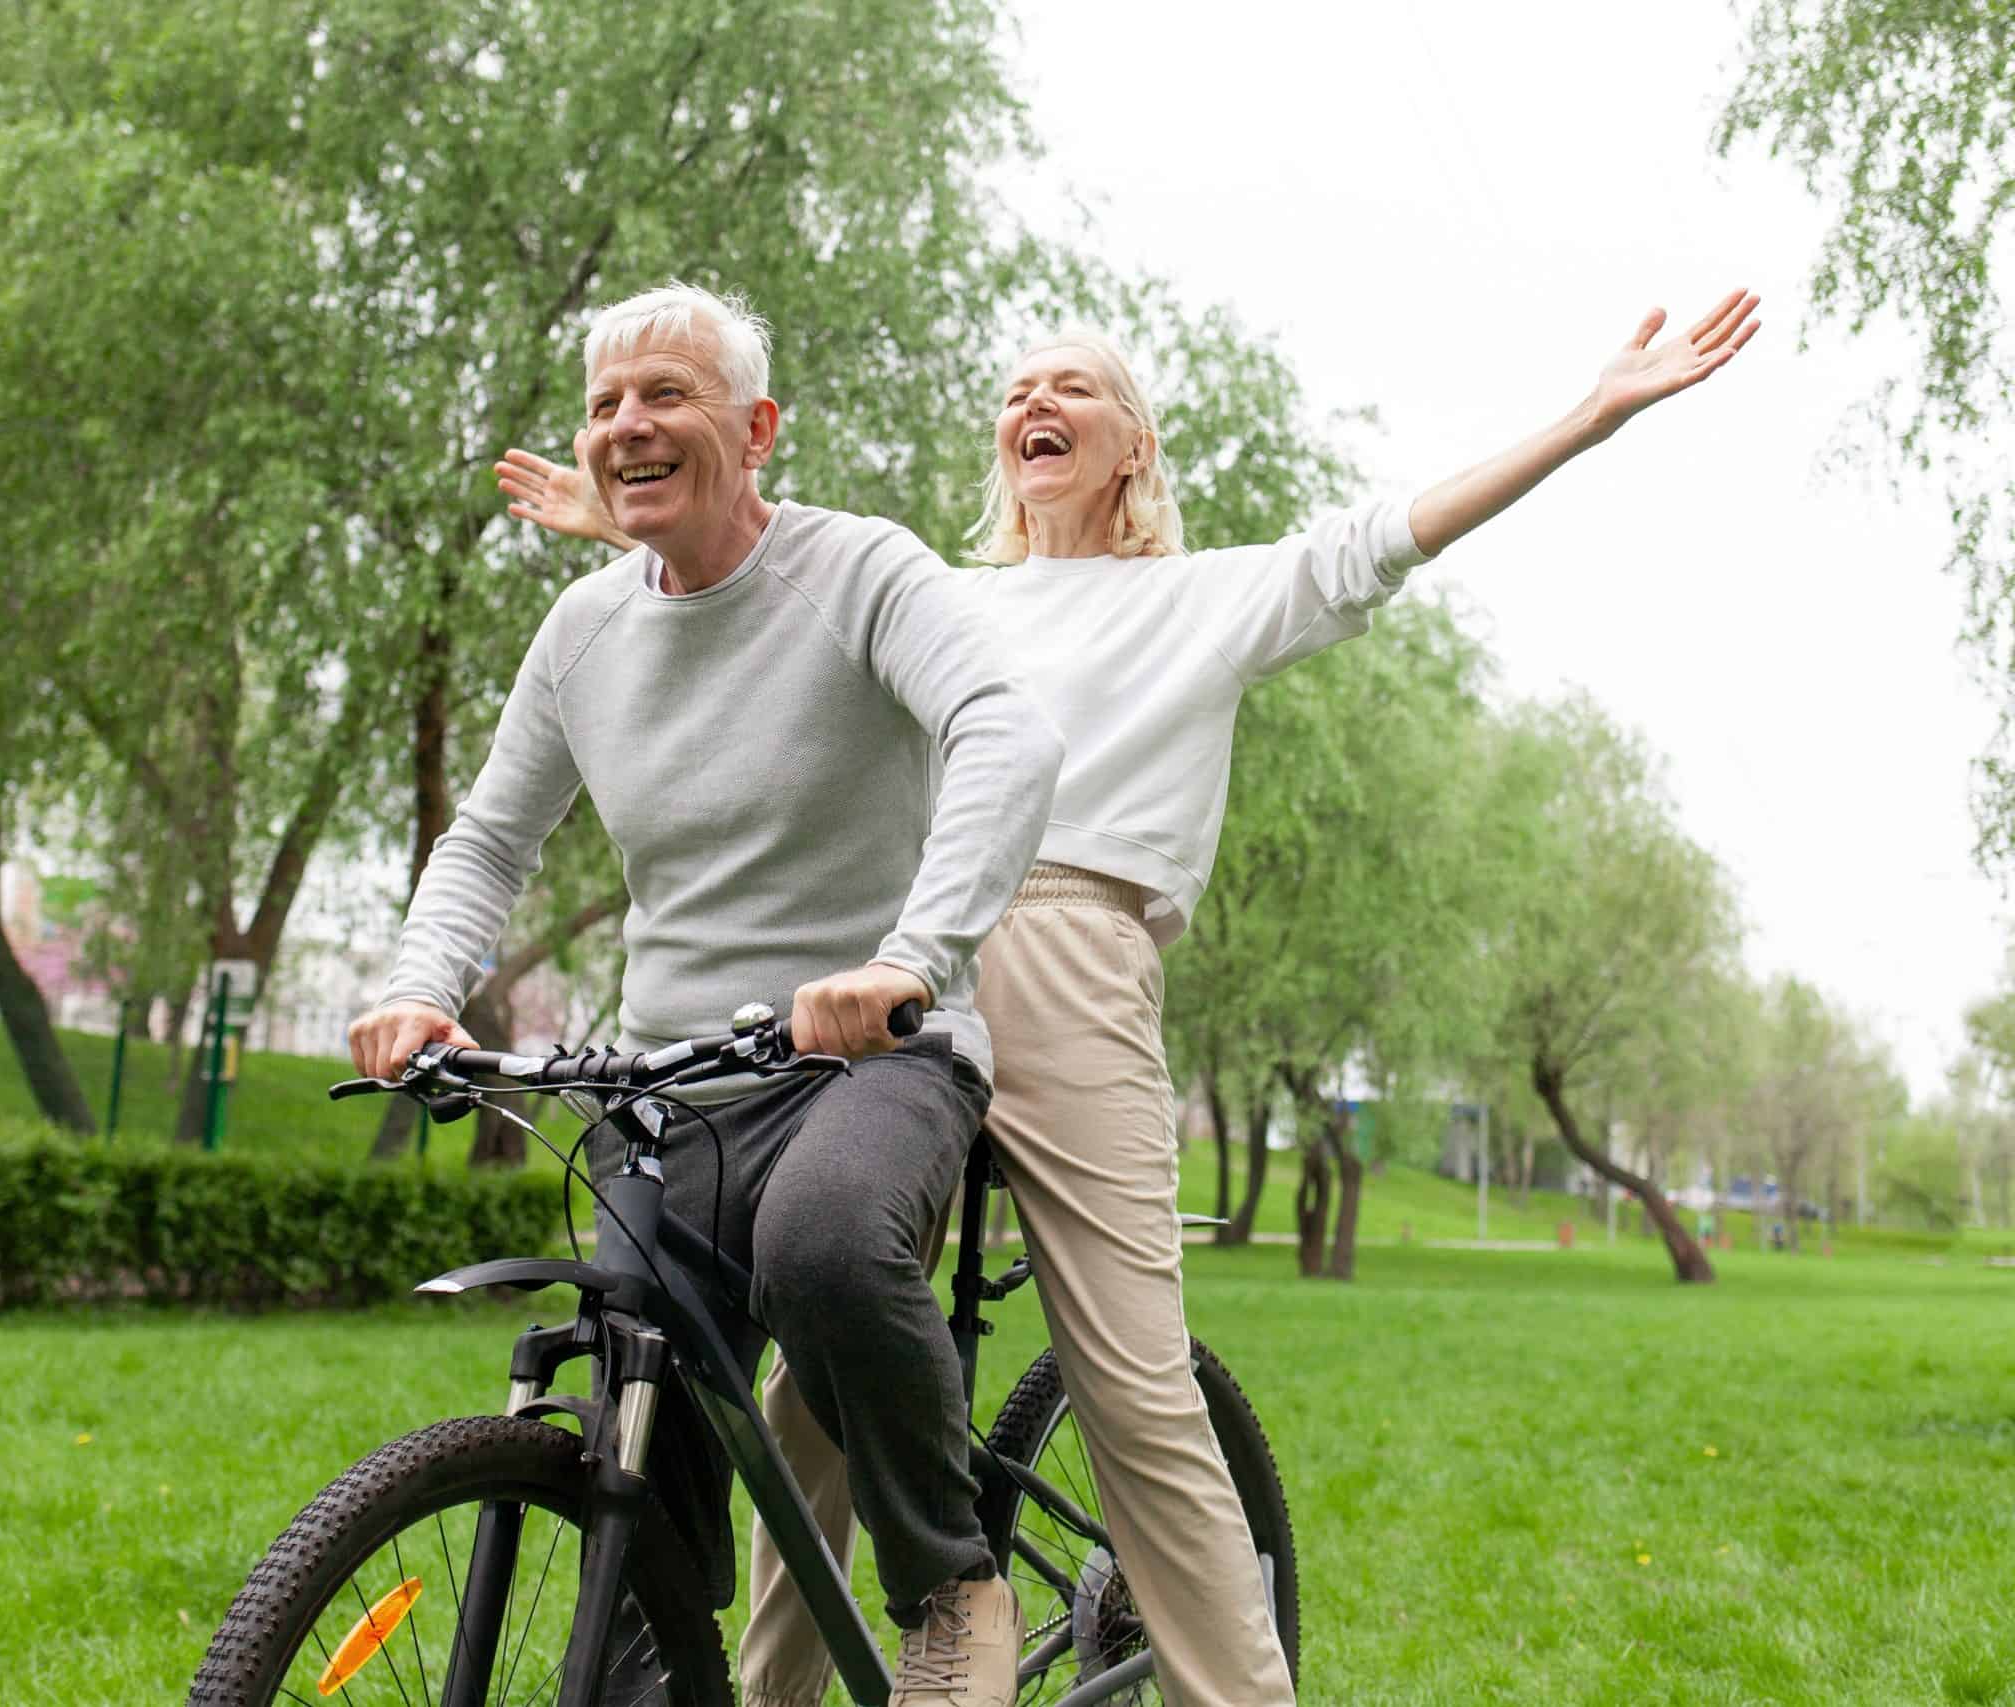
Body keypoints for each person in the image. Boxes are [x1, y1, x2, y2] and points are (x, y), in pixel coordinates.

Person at [495, 288, 1763, 1707]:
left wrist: (1590, 415)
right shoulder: (938, 592)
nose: (1035, 402)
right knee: (815, 1374)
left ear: (1131, 447)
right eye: (1020, 387)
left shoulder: (1201, 598)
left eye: (1074, 388)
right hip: (902, 960)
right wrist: (637, 528)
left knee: (1132, 1386)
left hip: (1078, 959)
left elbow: (1389, 537)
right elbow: (780, 596)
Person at [350, 281, 1066, 1707]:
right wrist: (421, 986)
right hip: (673, 1084)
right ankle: (655, 1672)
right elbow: (491, 835)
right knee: (638, 1381)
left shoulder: (861, 573)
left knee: (820, 1242)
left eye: (665, 396)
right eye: (608, 404)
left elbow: (1007, 732)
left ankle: (950, 1589)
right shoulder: (582, 633)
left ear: (756, 428)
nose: (628, 427)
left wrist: (909, 961)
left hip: (877, 1061)